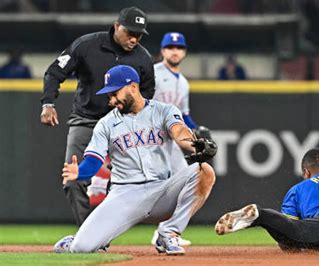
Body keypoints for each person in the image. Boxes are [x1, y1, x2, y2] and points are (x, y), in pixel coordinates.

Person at [53, 65, 217, 255]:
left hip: (162, 192)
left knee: (204, 170)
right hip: (125, 195)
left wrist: (196, 145)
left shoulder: (163, 111)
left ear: (132, 87)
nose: (112, 100)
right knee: (82, 248)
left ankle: (168, 233)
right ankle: (78, 239)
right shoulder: (106, 124)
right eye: (109, 96)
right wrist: (80, 172)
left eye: (115, 93)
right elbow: (93, 159)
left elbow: (179, 131)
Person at [39, 6, 155, 226]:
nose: (134, 38)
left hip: (123, 124)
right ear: (116, 26)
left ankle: (104, 232)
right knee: (73, 178)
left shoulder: (143, 58)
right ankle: (88, 234)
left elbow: (147, 94)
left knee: (128, 183)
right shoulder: (87, 45)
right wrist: (47, 103)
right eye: (130, 32)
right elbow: (55, 71)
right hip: (87, 120)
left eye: (139, 34)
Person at [151, 32, 212, 247]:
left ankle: (167, 231)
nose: (174, 51)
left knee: (191, 181)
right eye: (170, 47)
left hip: (172, 143)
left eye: (178, 48)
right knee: (142, 188)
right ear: (162, 51)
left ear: (184, 52)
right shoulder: (154, 74)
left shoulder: (183, 82)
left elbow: (184, 115)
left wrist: (197, 129)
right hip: (151, 140)